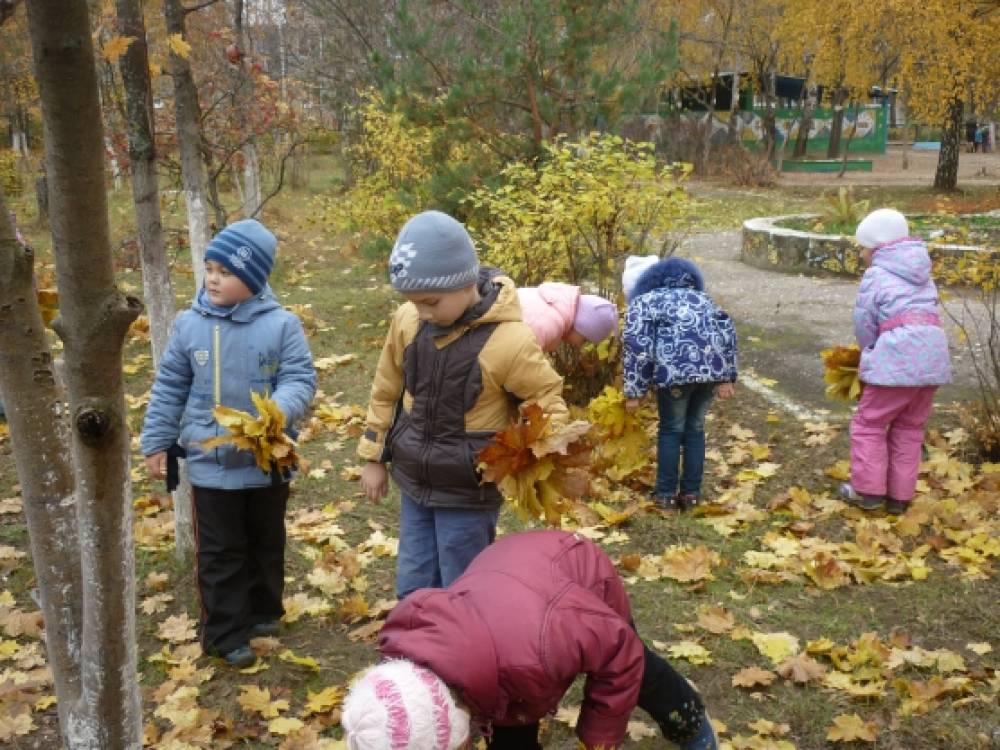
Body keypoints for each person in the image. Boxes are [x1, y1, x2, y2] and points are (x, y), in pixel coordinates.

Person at [341, 530, 717, 750]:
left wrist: (599, 736)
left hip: (575, 573)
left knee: (638, 675)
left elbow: (622, 651)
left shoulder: (540, 650)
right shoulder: (413, 653)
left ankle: (692, 725)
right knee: (508, 720)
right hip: (506, 582)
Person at [358, 211, 567, 600]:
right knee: (414, 581)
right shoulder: (408, 322)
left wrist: (534, 455)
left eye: (431, 301)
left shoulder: (510, 342)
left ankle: (464, 653)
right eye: (413, 301)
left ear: (464, 282)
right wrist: (373, 455)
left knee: (463, 583)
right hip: (416, 482)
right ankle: (415, 652)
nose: (422, 311)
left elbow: (547, 403)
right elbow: (386, 388)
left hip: (469, 491)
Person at [140, 219, 316, 668]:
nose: (213, 278)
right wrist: (157, 440)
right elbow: (169, 387)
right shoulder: (189, 326)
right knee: (220, 552)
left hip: (267, 459)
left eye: (226, 271)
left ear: (254, 279)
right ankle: (224, 632)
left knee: (265, 539)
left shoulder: (283, 326)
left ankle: (262, 611)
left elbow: (299, 379)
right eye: (210, 268)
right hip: (210, 462)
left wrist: (277, 410)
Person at [839, 209, 951, 515]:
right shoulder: (922, 273)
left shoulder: (876, 275)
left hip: (895, 359)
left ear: (877, 248)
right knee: (910, 427)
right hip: (931, 361)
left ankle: (868, 491)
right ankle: (900, 497)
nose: (861, 254)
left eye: (862, 247)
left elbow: (865, 321)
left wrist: (869, 352)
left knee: (869, 423)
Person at [621, 257, 738, 511]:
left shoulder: (646, 302)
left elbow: (638, 348)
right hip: (708, 374)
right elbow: (726, 333)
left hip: (674, 375)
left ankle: (665, 494)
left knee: (672, 430)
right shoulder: (703, 299)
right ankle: (691, 494)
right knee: (695, 429)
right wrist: (726, 376)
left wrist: (635, 391)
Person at [516, 283, 618, 352]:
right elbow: (521, 361)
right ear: (582, 326)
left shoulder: (555, 305)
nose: (580, 346)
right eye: (585, 340)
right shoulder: (551, 324)